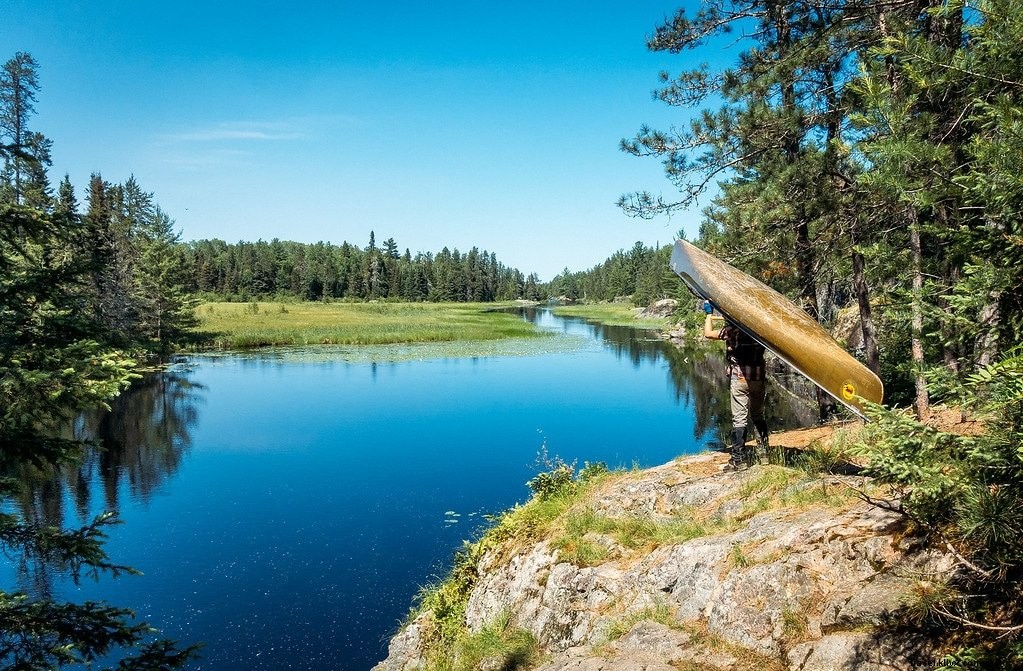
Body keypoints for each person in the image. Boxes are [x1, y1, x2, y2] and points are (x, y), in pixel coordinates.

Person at [703, 302, 769, 470]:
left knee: (739, 418)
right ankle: (764, 454)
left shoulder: (732, 331)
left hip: (739, 379)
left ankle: (739, 459)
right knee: (758, 415)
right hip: (758, 378)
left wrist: (709, 314)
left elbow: (708, 333)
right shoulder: (760, 330)